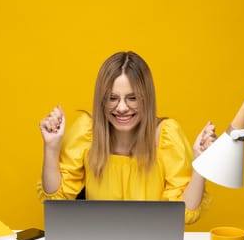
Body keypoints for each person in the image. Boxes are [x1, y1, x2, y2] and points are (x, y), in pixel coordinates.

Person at [38, 51, 217, 224]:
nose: (122, 108)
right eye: (112, 98)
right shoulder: (86, 132)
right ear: (101, 100)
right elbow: (55, 199)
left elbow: (184, 213)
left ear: (146, 98)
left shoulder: (166, 135)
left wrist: (200, 166)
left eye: (132, 98)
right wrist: (51, 148)